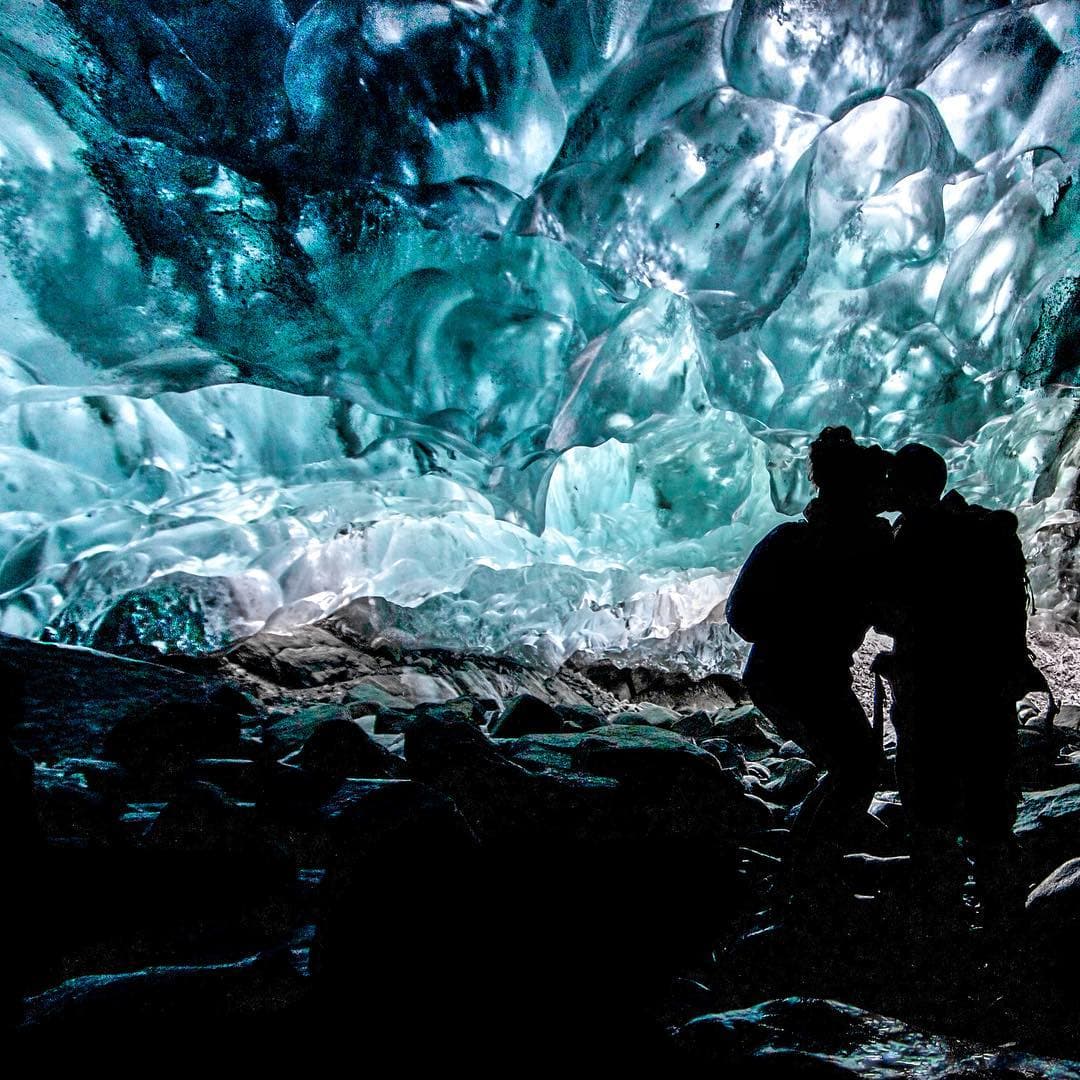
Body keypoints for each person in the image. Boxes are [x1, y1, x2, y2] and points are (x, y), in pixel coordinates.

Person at [726, 427, 892, 883]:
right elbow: (891, 613)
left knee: (851, 767)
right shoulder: (871, 546)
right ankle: (805, 875)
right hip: (811, 680)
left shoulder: (787, 541)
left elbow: (740, 617)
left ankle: (804, 869)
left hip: (773, 675)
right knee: (857, 769)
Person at [877, 442, 1033, 924]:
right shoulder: (988, 531)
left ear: (904, 487)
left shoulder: (913, 536)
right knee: (990, 805)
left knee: (930, 807)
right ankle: (1004, 919)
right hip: (990, 690)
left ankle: (939, 920)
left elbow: (890, 614)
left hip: (930, 693)